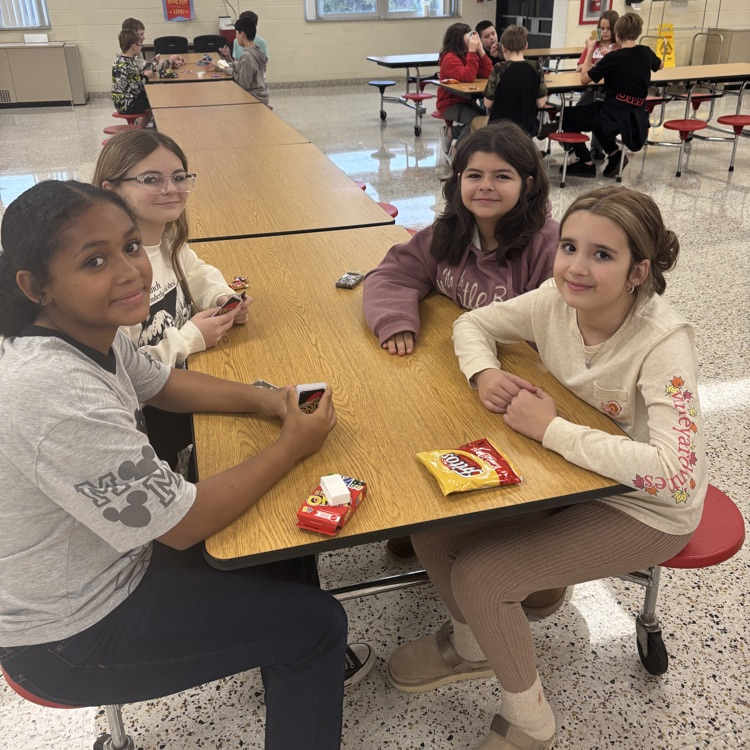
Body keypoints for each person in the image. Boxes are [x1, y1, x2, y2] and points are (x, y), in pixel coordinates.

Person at [0, 180, 348, 750]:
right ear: (36, 286)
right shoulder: (53, 394)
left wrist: (268, 399)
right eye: (94, 260)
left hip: (116, 560)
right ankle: (297, 659)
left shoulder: (86, 332)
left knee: (284, 543)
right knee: (319, 626)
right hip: (69, 636)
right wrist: (291, 445)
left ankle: (285, 673)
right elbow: (183, 526)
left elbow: (163, 383)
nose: (129, 271)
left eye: (131, 247)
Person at [388, 186, 705, 750]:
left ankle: (530, 723)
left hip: (648, 507)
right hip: (574, 477)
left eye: (602, 255)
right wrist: (484, 375)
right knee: (433, 524)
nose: (576, 268)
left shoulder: (662, 342)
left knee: (483, 577)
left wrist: (551, 430)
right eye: (568, 247)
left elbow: (674, 474)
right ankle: (472, 646)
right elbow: (472, 326)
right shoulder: (552, 302)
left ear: (639, 271)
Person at [92, 128, 250, 470]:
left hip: (187, 391)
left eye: (179, 177)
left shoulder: (166, 241)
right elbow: (124, 374)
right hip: (151, 424)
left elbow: (196, 271)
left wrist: (220, 296)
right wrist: (190, 338)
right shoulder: (114, 278)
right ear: (111, 190)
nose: (171, 189)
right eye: (151, 179)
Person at [363, 123, 558, 358]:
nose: (486, 186)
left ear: (526, 185)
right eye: (474, 175)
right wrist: (395, 319)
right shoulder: (448, 231)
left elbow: (559, 333)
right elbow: (391, 276)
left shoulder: (550, 249)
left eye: (502, 176)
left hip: (515, 372)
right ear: (459, 180)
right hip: (454, 359)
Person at [560, 12, 663, 179]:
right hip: (635, 115)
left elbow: (584, 78)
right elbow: (661, 65)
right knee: (595, 113)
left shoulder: (613, 58)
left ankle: (585, 162)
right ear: (637, 33)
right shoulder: (645, 52)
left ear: (617, 34)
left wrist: (591, 49)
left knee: (567, 116)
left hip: (614, 114)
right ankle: (614, 154)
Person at [436, 23, 493, 153]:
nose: (470, 38)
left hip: (466, 101)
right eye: (467, 35)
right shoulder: (449, 58)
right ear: (458, 39)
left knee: (486, 122)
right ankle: (457, 151)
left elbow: (489, 73)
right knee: (477, 122)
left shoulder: (467, 55)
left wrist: (481, 51)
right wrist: (472, 52)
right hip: (449, 104)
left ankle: (450, 132)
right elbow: (468, 76)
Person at [482, 25, 547, 138]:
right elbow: (541, 103)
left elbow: (487, 103)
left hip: (500, 129)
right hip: (527, 128)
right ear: (526, 45)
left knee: (476, 123)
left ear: (503, 47)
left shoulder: (499, 68)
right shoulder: (536, 67)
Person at [574, 10, 620, 160]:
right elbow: (580, 65)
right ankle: (574, 139)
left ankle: (597, 147)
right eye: (602, 28)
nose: (605, 32)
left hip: (609, 90)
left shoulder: (618, 47)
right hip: (591, 86)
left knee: (601, 112)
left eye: (608, 29)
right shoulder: (593, 45)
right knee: (584, 107)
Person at [211, 15, 269, 106]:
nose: (236, 36)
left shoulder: (246, 55)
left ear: (242, 35)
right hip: (262, 94)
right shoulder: (256, 49)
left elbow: (243, 84)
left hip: (254, 97)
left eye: (236, 33)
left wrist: (228, 70)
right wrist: (219, 66)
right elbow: (241, 66)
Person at [111, 29, 153, 127]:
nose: (140, 48)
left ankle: (138, 128)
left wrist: (141, 75)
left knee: (146, 99)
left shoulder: (118, 60)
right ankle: (140, 130)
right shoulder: (130, 64)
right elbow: (136, 89)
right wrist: (146, 77)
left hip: (119, 103)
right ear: (134, 46)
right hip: (128, 104)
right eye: (139, 45)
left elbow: (130, 80)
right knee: (152, 105)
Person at [121, 17, 185, 70]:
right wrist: (169, 61)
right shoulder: (131, 55)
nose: (144, 38)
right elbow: (150, 69)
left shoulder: (131, 52)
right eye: (141, 34)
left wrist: (170, 62)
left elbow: (145, 66)